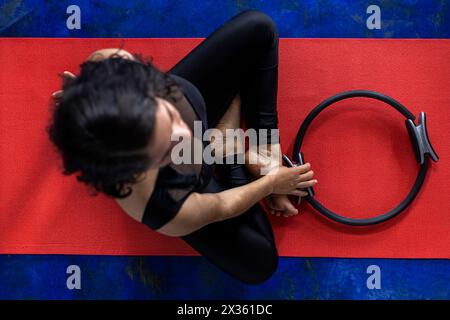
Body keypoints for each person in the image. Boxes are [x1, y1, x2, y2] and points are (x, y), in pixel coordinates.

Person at [47, 9, 317, 284]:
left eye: (167, 115)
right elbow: (223, 205)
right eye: (164, 144)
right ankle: (229, 150)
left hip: (192, 106)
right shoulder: (161, 206)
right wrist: (272, 183)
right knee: (260, 263)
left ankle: (260, 150)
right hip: (191, 183)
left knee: (260, 27)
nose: (182, 132)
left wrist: (86, 98)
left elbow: (102, 69)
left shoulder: (118, 68)